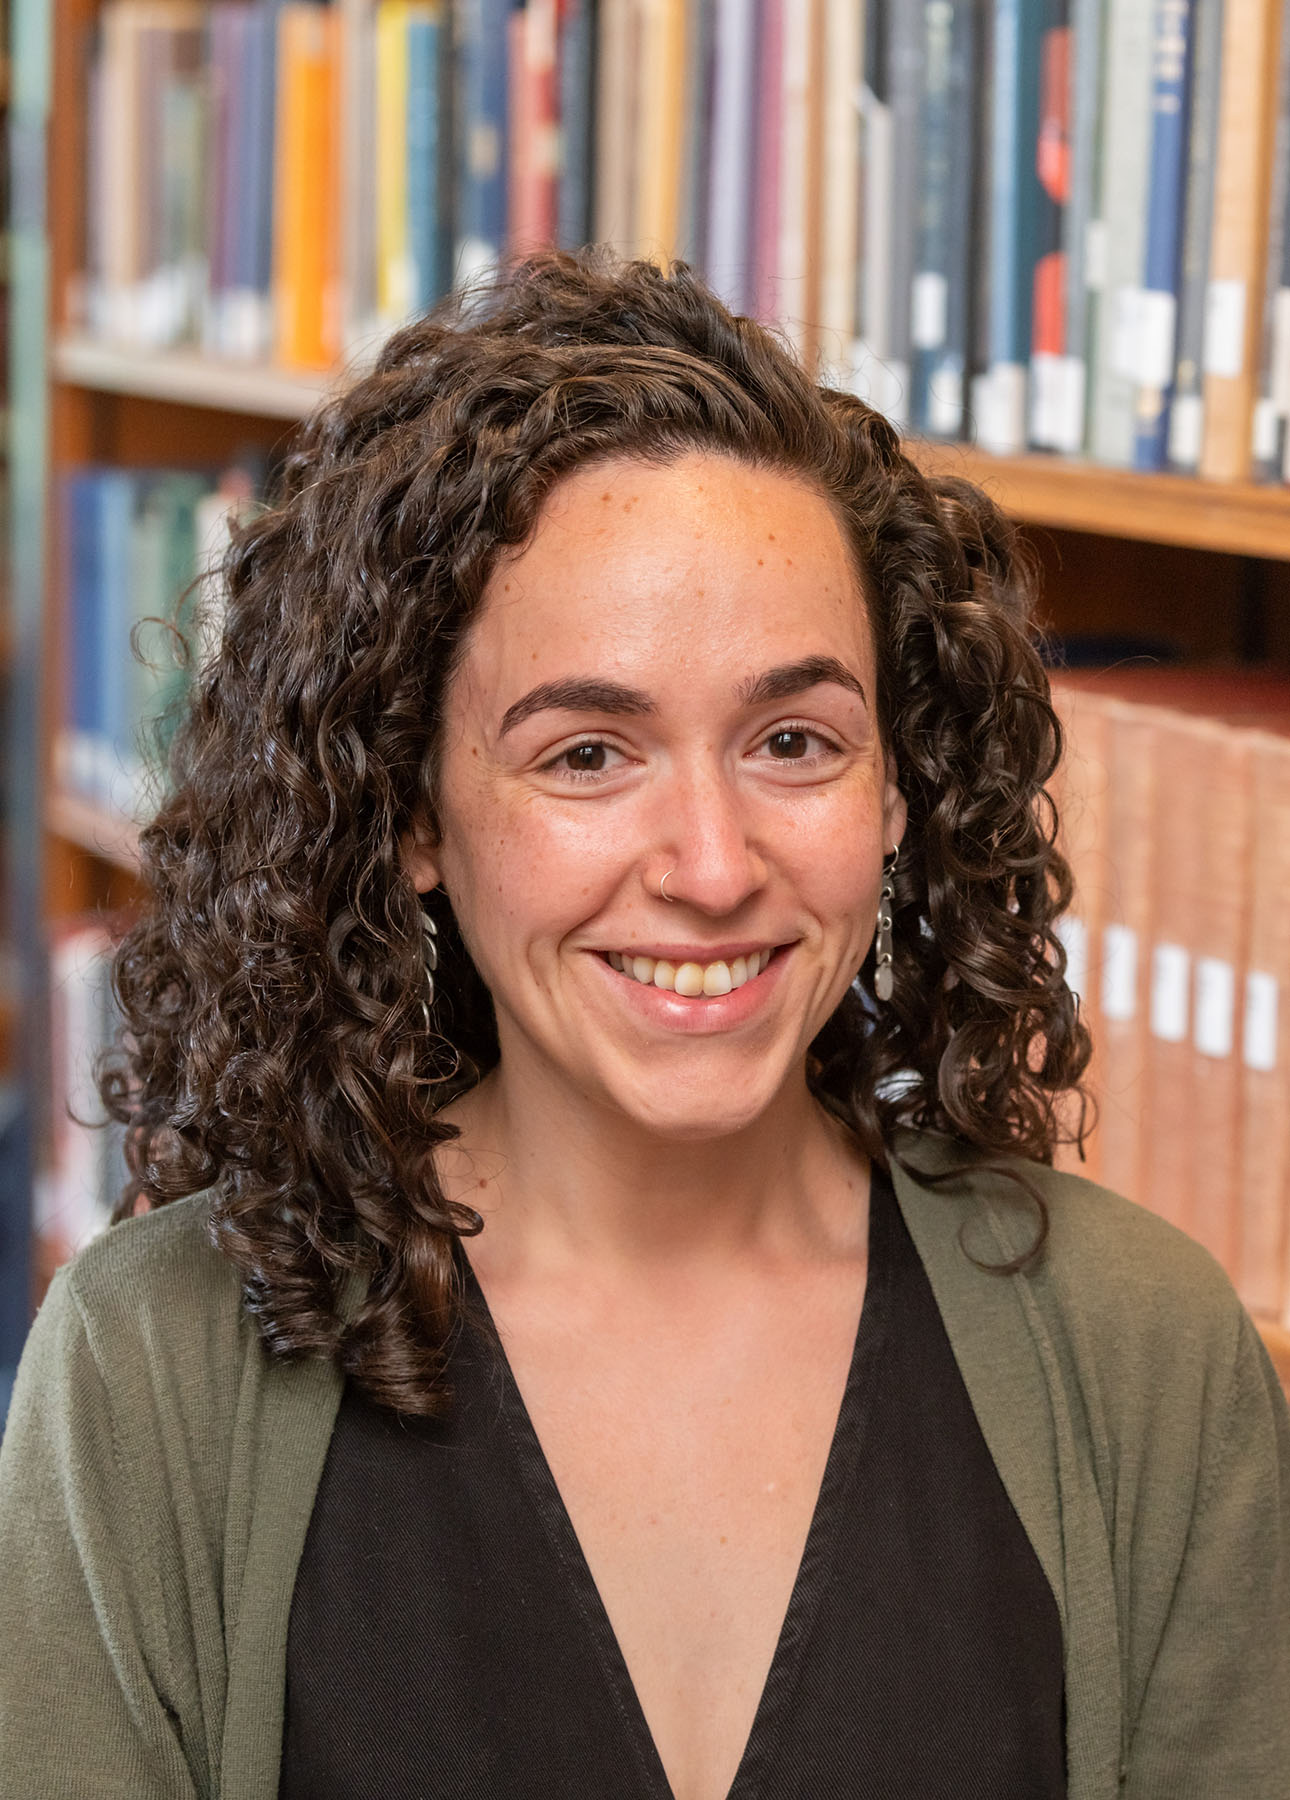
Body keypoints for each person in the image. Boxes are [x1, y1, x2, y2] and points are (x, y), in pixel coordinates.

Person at [1, 249, 1287, 1800]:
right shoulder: (153, 1376)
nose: (711, 865)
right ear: (411, 808)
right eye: (588, 754)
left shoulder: (1139, 1355)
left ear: (894, 790)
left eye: (792, 741)